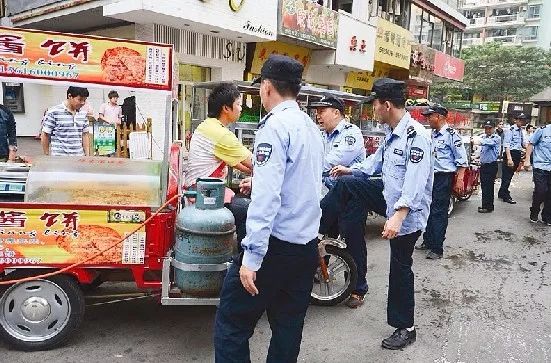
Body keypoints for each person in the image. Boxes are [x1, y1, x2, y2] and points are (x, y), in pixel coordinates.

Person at [214, 55, 324, 362]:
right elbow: (310, 185)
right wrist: (259, 179)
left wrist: (252, 257)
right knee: (288, 328)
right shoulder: (310, 127)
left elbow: (267, 200)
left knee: (232, 324)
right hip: (304, 247)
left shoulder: (275, 126)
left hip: (273, 248)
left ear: (266, 88)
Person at [331, 78, 433, 349]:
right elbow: (374, 164)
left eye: (375, 105)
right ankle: (327, 228)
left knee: (400, 269)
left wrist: (398, 217)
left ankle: (406, 327)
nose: (373, 110)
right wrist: (350, 169)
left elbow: (415, 182)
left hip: (407, 214)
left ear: (386, 105)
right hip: (387, 198)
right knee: (347, 183)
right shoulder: (391, 132)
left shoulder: (416, 136)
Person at [185, 82, 252, 243]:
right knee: (248, 210)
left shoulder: (207, 126)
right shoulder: (221, 134)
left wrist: (252, 175)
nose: (241, 108)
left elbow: (240, 164)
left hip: (200, 189)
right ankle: (244, 258)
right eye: (238, 104)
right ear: (226, 108)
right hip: (205, 195)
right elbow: (256, 163)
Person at [416, 105, 467, 259]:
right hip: (430, 177)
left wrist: (459, 180)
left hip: (444, 177)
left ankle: (437, 248)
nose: (427, 119)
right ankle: (428, 240)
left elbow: (462, 161)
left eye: (429, 116)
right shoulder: (431, 134)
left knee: (438, 211)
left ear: (438, 116)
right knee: (427, 209)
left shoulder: (452, 135)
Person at [308, 95, 365, 189]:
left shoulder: (351, 133)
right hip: (326, 189)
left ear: (336, 113)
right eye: (317, 112)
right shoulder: (322, 134)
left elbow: (333, 161)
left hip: (347, 194)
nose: (317, 116)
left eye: (321, 111)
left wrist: (306, 169)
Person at [41, 86, 90, 156]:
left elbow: (85, 135)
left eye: (84, 100)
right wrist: (46, 155)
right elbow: (45, 134)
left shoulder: (83, 113)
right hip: (60, 158)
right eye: (80, 100)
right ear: (70, 96)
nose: (82, 103)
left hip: (79, 157)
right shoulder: (54, 112)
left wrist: (87, 156)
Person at [524, 122, 551, 225]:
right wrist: (527, 160)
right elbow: (531, 144)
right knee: (541, 191)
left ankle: (547, 216)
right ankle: (534, 211)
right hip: (540, 166)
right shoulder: (542, 130)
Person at [498, 113, 528, 204]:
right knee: (507, 176)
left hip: (517, 154)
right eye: (520, 120)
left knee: (509, 175)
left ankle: (501, 192)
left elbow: (523, 143)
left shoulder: (520, 131)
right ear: (516, 120)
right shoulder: (510, 130)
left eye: (523, 120)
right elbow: (506, 145)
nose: (522, 122)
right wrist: (509, 158)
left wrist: (529, 148)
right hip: (510, 154)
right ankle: (506, 195)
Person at [478, 121, 501, 213]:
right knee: (484, 186)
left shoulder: (496, 138)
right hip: (483, 165)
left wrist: (477, 140)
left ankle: (489, 206)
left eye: (489, 128)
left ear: (494, 128)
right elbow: (482, 151)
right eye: (486, 128)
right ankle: (485, 205)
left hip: (491, 165)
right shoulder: (484, 137)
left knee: (489, 186)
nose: (487, 130)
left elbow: (488, 143)